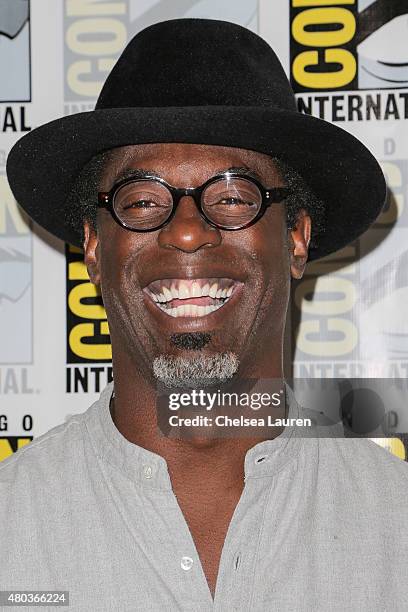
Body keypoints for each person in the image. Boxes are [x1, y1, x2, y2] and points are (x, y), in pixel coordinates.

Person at [2, 18, 408, 612]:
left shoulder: (394, 529)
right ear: (93, 245)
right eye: (141, 201)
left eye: (233, 198)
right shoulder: (12, 530)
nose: (188, 231)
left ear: (296, 239)